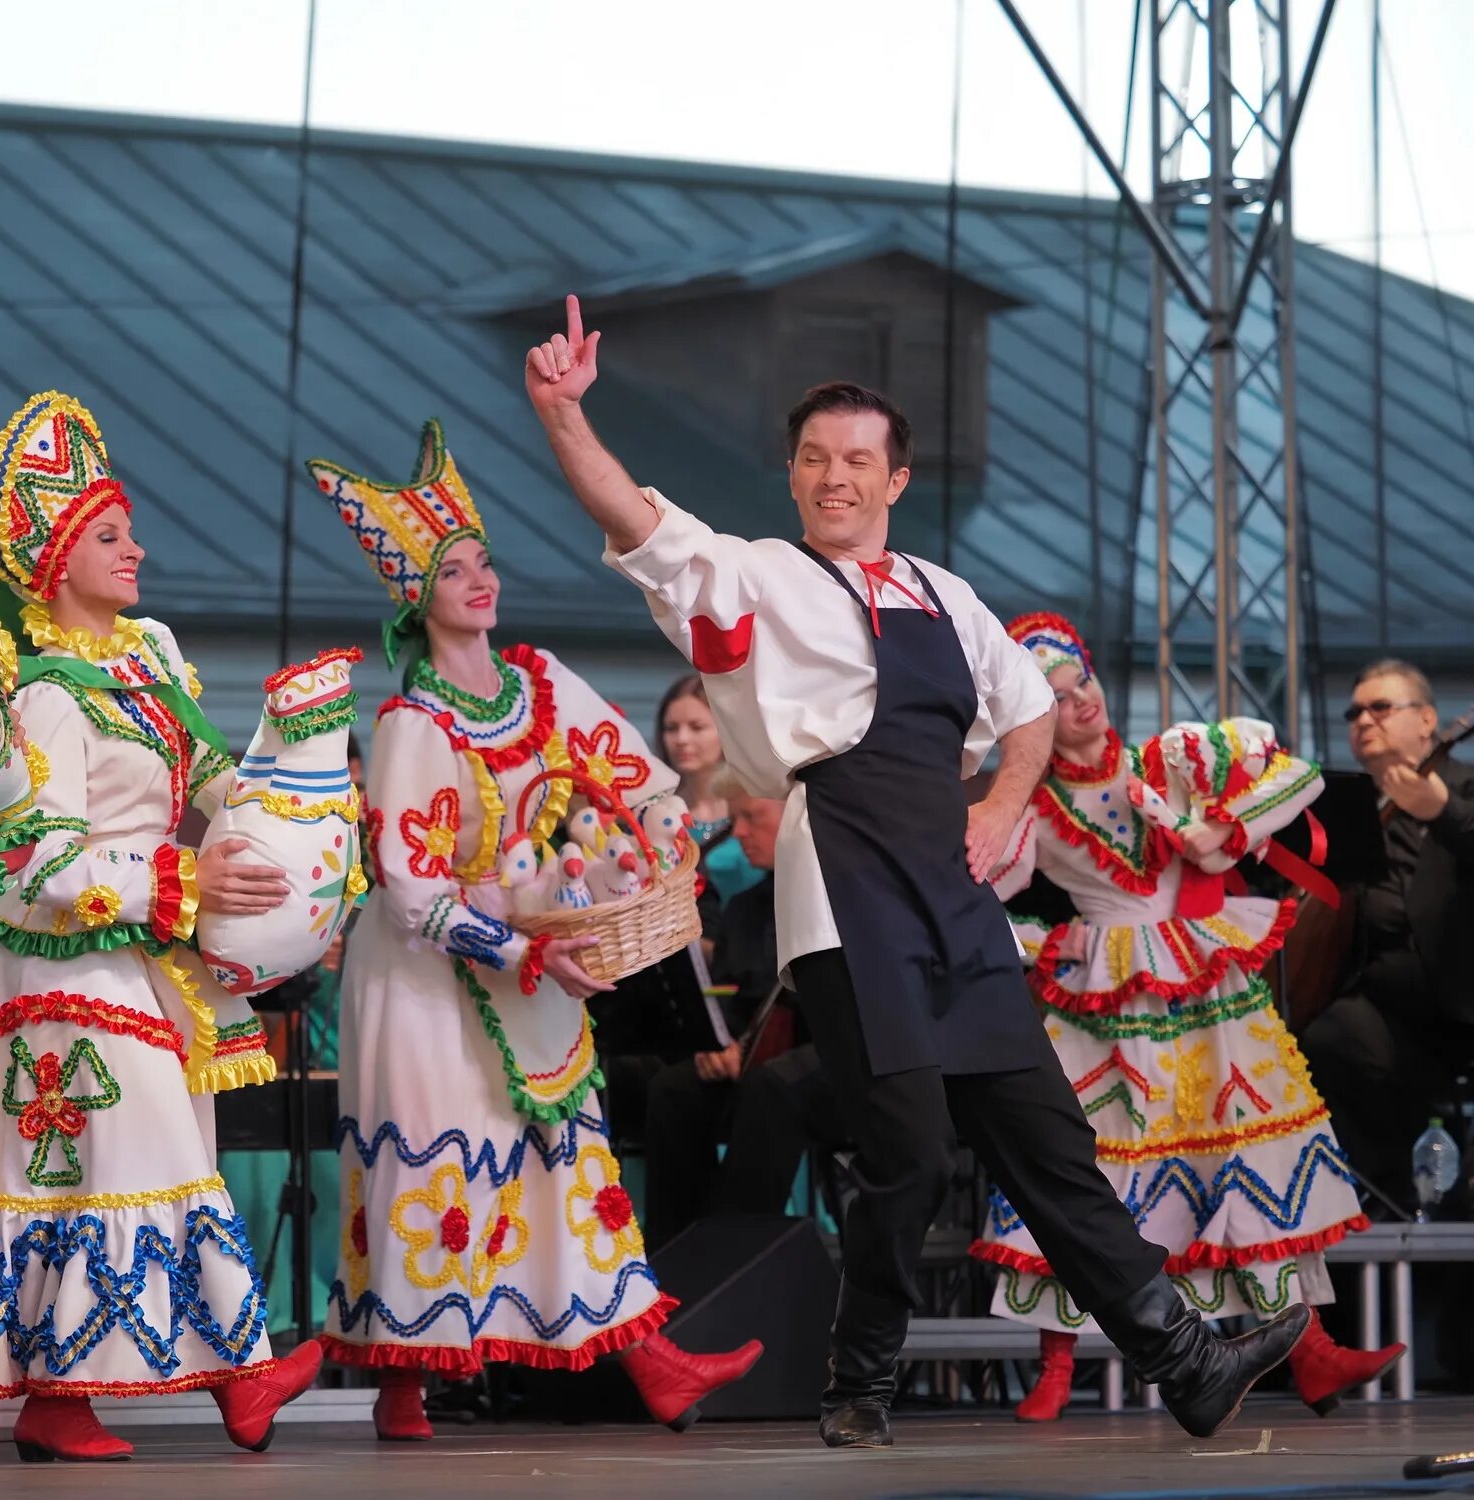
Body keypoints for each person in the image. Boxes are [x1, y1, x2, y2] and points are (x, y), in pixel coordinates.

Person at [524, 294, 1309, 1447]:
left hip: (948, 889)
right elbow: (633, 517)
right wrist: (560, 413)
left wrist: (998, 800)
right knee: (905, 1148)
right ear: (790, 475)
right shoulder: (755, 576)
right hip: (840, 878)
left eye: (854, 461)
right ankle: (859, 1381)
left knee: (1045, 1135)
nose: (831, 478)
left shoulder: (946, 592)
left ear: (895, 479)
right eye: (810, 459)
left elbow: (1028, 708)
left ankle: (1181, 1356)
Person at [0, 391, 323, 1459]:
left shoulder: (150, 667)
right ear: (55, 564)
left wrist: (293, 819)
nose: (138, 551)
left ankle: (59, 1397)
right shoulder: (42, 696)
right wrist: (184, 882)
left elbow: (211, 775)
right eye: (112, 536)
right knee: (116, 1166)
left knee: (95, 1180)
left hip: (134, 967)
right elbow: (36, 862)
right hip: (60, 973)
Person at [307, 419, 762, 1442]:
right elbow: (407, 888)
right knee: (438, 1161)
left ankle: (654, 1363)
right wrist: (520, 950)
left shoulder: (543, 684)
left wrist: (659, 841)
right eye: (453, 569)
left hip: (536, 949)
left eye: (483, 562)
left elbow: (637, 780)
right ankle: (402, 1388)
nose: (479, 581)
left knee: (564, 1153)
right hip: (432, 973)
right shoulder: (409, 726)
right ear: (412, 596)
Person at [975, 612, 1403, 1421]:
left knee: (1248, 1149)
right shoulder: (1028, 808)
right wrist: (1022, 943)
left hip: (1201, 982)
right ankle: (1056, 1367)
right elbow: (974, 889)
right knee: (1081, 1165)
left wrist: (1221, 827)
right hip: (1100, 986)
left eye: (1084, 682)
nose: (1081, 703)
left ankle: (1310, 1351)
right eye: (1057, 697)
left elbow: (1297, 776)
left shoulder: (1166, 761)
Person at [642, 780, 850, 1246]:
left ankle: (730, 1252)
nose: (737, 832)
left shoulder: (843, 894)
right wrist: (716, 1048)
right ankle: (673, 1257)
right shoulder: (744, 908)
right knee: (674, 1089)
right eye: (735, 819)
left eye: (752, 817)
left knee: (773, 1086)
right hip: (765, 1059)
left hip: (843, 1060)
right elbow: (736, 1005)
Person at [1301, 660, 1474, 1207]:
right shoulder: (1345, 809)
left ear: (1427, 720)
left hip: (1464, 1007)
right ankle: (1386, 1199)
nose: (1363, 719)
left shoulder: (1467, 786)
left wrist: (1445, 813)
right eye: (1354, 711)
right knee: (1323, 1037)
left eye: (1381, 707)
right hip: (1390, 1018)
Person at [658, 676, 757, 905]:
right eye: (671, 728)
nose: (681, 739)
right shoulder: (658, 811)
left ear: (727, 729)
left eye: (697, 727)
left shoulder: (754, 804)